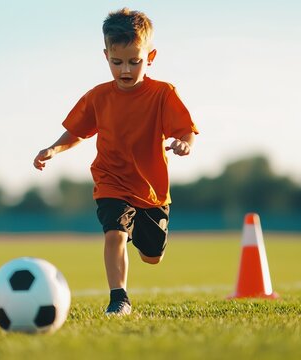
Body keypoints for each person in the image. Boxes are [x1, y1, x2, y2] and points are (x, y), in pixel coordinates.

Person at [33, 8, 198, 315]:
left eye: (134, 61)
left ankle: (139, 232)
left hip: (151, 190)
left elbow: (186, 130)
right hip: (111, 180)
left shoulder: (162, 94)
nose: (125, 69)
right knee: (114, 234)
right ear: (106, 54)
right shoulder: (98, 97)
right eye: (117, 61)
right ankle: (118, 298)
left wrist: (183, 143)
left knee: (152, 257)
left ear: (150, 56)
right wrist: (53, 149)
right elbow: (77, 132)